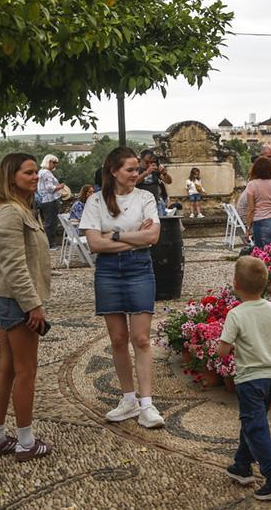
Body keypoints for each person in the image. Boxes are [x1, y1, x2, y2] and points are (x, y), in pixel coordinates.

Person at [79, 147, 165, 429]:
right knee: (117, 339)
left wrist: (114, 235)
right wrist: (135, 236)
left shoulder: (146, 197)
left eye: (137, 169)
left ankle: (147, 404)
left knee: (141, 339)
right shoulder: (96, 201)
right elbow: (95, 244)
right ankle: (128, 400)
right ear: (114, 171)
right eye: (130, 169)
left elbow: (153, 237)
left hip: (139, 269)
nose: (136, 173)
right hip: (108, 271)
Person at [0, 153, 53, 462]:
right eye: (28, 172)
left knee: (8, 367)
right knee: (26, 371)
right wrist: (32, 305)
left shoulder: (16, 208)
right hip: (16, 300)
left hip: (9, 298)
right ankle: (26, 442)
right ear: (12, 177)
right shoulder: (11, 212)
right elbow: (14, 265)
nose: (35, 176)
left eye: (36, 171)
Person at [220, 256, 271, 501]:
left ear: (236, 283)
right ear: (265, 284)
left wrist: (227, 348)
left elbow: (223, 350)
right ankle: (242, 465)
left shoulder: (236, 314)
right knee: (253, 420)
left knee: (255, 425)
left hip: (249, 378)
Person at [245, 158, 271, 249]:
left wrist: (247, 229)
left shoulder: (251, 185)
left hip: (260, 221)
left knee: (263, 252)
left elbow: (251, 209)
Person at [36, 154, 65, 249]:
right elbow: (49, 188)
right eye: (54, 162)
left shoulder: (41, 172)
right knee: (51, 223)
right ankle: (51, 244)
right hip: (50, 200)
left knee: (48, 222)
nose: (55, 165)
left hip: (43, 200)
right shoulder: (47, 173)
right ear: (48, 161)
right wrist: (59, 187)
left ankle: (49, 244)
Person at [136, 149, 172, 218]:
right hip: (140, 204)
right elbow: (133, 182)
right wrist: (146, 173)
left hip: (155, 203)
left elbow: (169, 181)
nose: (149, 164)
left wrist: (164, 173)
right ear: (141, 160)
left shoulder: (155, 170)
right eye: (147, 162)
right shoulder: (136, 170)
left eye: (151, 162)